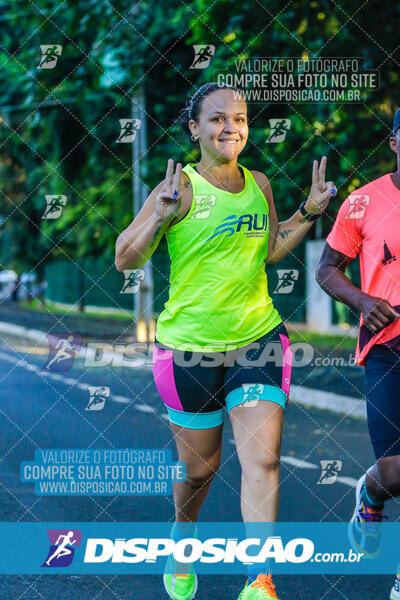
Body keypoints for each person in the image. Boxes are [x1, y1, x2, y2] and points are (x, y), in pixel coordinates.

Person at [115, 82, 336, 600]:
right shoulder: (179, 188)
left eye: (238, 118)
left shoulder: (259, 182)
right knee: (199, 468)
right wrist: (159, 220)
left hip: (258, 339)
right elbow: (126, 257)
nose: (229, 128)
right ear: (194, 129)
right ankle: (182, 541)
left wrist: (307, 211)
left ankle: (260, 580)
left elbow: (270, 250)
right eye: (216, 119)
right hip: (189, 348)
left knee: (263, 459)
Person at [316, 108, 400, 600]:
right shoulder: (362, 201)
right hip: (387, 347)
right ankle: (370, 492)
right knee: (394, 471)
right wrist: (365, 302)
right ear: (393, 142)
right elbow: (327, 269)